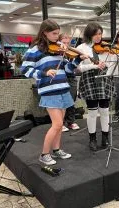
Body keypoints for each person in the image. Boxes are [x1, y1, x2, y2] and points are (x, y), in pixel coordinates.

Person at [21, 19, 78, 165]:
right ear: (45, 32)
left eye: (58, 34)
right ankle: (44, 154)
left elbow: (67, 69)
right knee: (57, 124)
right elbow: (25, 70)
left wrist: (77, 60)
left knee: (61, 124)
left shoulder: (59, 48)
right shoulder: (34, 50)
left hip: (63, 88)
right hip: (49, 90)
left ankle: (57, 149)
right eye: (54, 33)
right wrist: (44, 73)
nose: (57, 37)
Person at [75, 22, 112, 151]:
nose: (99, 37)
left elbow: (111, 64)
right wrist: (94, 65)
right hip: (89, 79)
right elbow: (78, 68)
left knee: (105, 110)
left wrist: (107, 64)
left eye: (100, 34)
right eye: (96, 34)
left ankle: (105, 137)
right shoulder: (81, 47)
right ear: (89, 34)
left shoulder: (105, 48)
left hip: (103, 79)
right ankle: (92, 139)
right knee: (92, 112)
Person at [58, 33, 81, 132]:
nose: (66, 45)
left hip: (71, 78)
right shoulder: (56, 52)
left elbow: (74, 69)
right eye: (64, 42)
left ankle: (70, 122)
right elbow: (68, 69)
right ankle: (60, 123)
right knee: (62, 102)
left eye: (68, 43)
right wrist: (77, 60)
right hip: (61, 79)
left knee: (71, 101)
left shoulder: (71, 53)